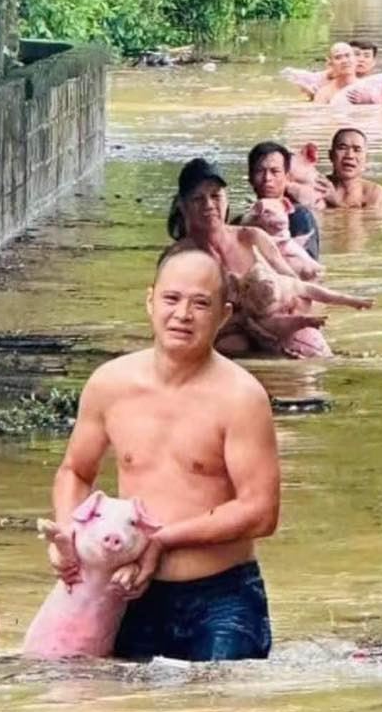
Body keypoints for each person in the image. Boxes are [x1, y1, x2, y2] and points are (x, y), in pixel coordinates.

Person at [47, 244, 280, 661]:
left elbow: (261, 511)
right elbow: (75, 472)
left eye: (200, 303)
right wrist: (71, 537)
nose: (183, 314)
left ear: (224, 315)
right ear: (150, 300)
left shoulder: (242, 397)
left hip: (221, 597)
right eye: (172, 299)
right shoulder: (110, 384)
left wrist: (164, 540)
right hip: (127, 594)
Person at [172, 158, 371, 359]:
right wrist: (243, 321)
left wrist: (285, 315)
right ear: (182, 205)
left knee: (309, 344)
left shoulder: (253, 237)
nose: (209, 205)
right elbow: (177, 322)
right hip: (224, 334)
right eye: (198, 199)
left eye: (215, 196)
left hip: (278, 323)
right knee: (234, 345)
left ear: (227, 198)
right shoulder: (179, 259)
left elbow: (298, 291)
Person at [241, 141, 321, 261]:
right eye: (260, 171)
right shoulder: (241, 222)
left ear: (287, 177)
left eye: (275, 171)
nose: (267, 178)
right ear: (250, 178)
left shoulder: (298, 216)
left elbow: (308, 264)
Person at [323, 128, 382, 211]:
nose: (350, 155)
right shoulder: (319, 187)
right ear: (330, 155)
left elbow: (371, 223)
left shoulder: (373, 192)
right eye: (342, 148)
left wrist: (335, 202)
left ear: (366, 158)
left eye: (357, 150)